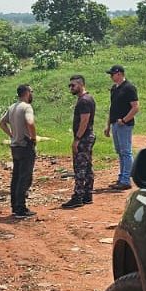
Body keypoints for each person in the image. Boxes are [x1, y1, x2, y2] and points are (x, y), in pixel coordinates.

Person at [0, 83, 37, 218]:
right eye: (31, 91)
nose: (32, 94)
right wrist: (33, 138)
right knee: (24, 177)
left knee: (16, 177)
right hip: (25, 145)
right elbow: (30, 122)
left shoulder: (12, 107)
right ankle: (21, 209)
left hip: (15, 146)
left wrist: (11, 135)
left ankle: (15, 207)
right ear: (26, 93)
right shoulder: (27, 107)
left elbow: (1, 122)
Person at [61, 74, 96, 209]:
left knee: (80, 167)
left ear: (81, 84)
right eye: (69, 85)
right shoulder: (87, 99)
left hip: (84, 138)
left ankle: (78, 196)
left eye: (73, 85)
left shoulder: (84, 101)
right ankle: (87, 194)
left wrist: (77, 139)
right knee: (87, 166)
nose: (71, 88)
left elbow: (84, 121)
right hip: (87, 137)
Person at [104, 65, 139, 190]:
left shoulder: (129, 88)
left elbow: (135, 107)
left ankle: (126, 180)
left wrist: (124, 120)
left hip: (124, 125)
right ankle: (122, 177)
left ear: (119, 74)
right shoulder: (114, 89)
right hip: (115, 124)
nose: (111, 77)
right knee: (120, 152)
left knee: (126, 152)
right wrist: (108, 125)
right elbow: (112, 108)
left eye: (112, 74)